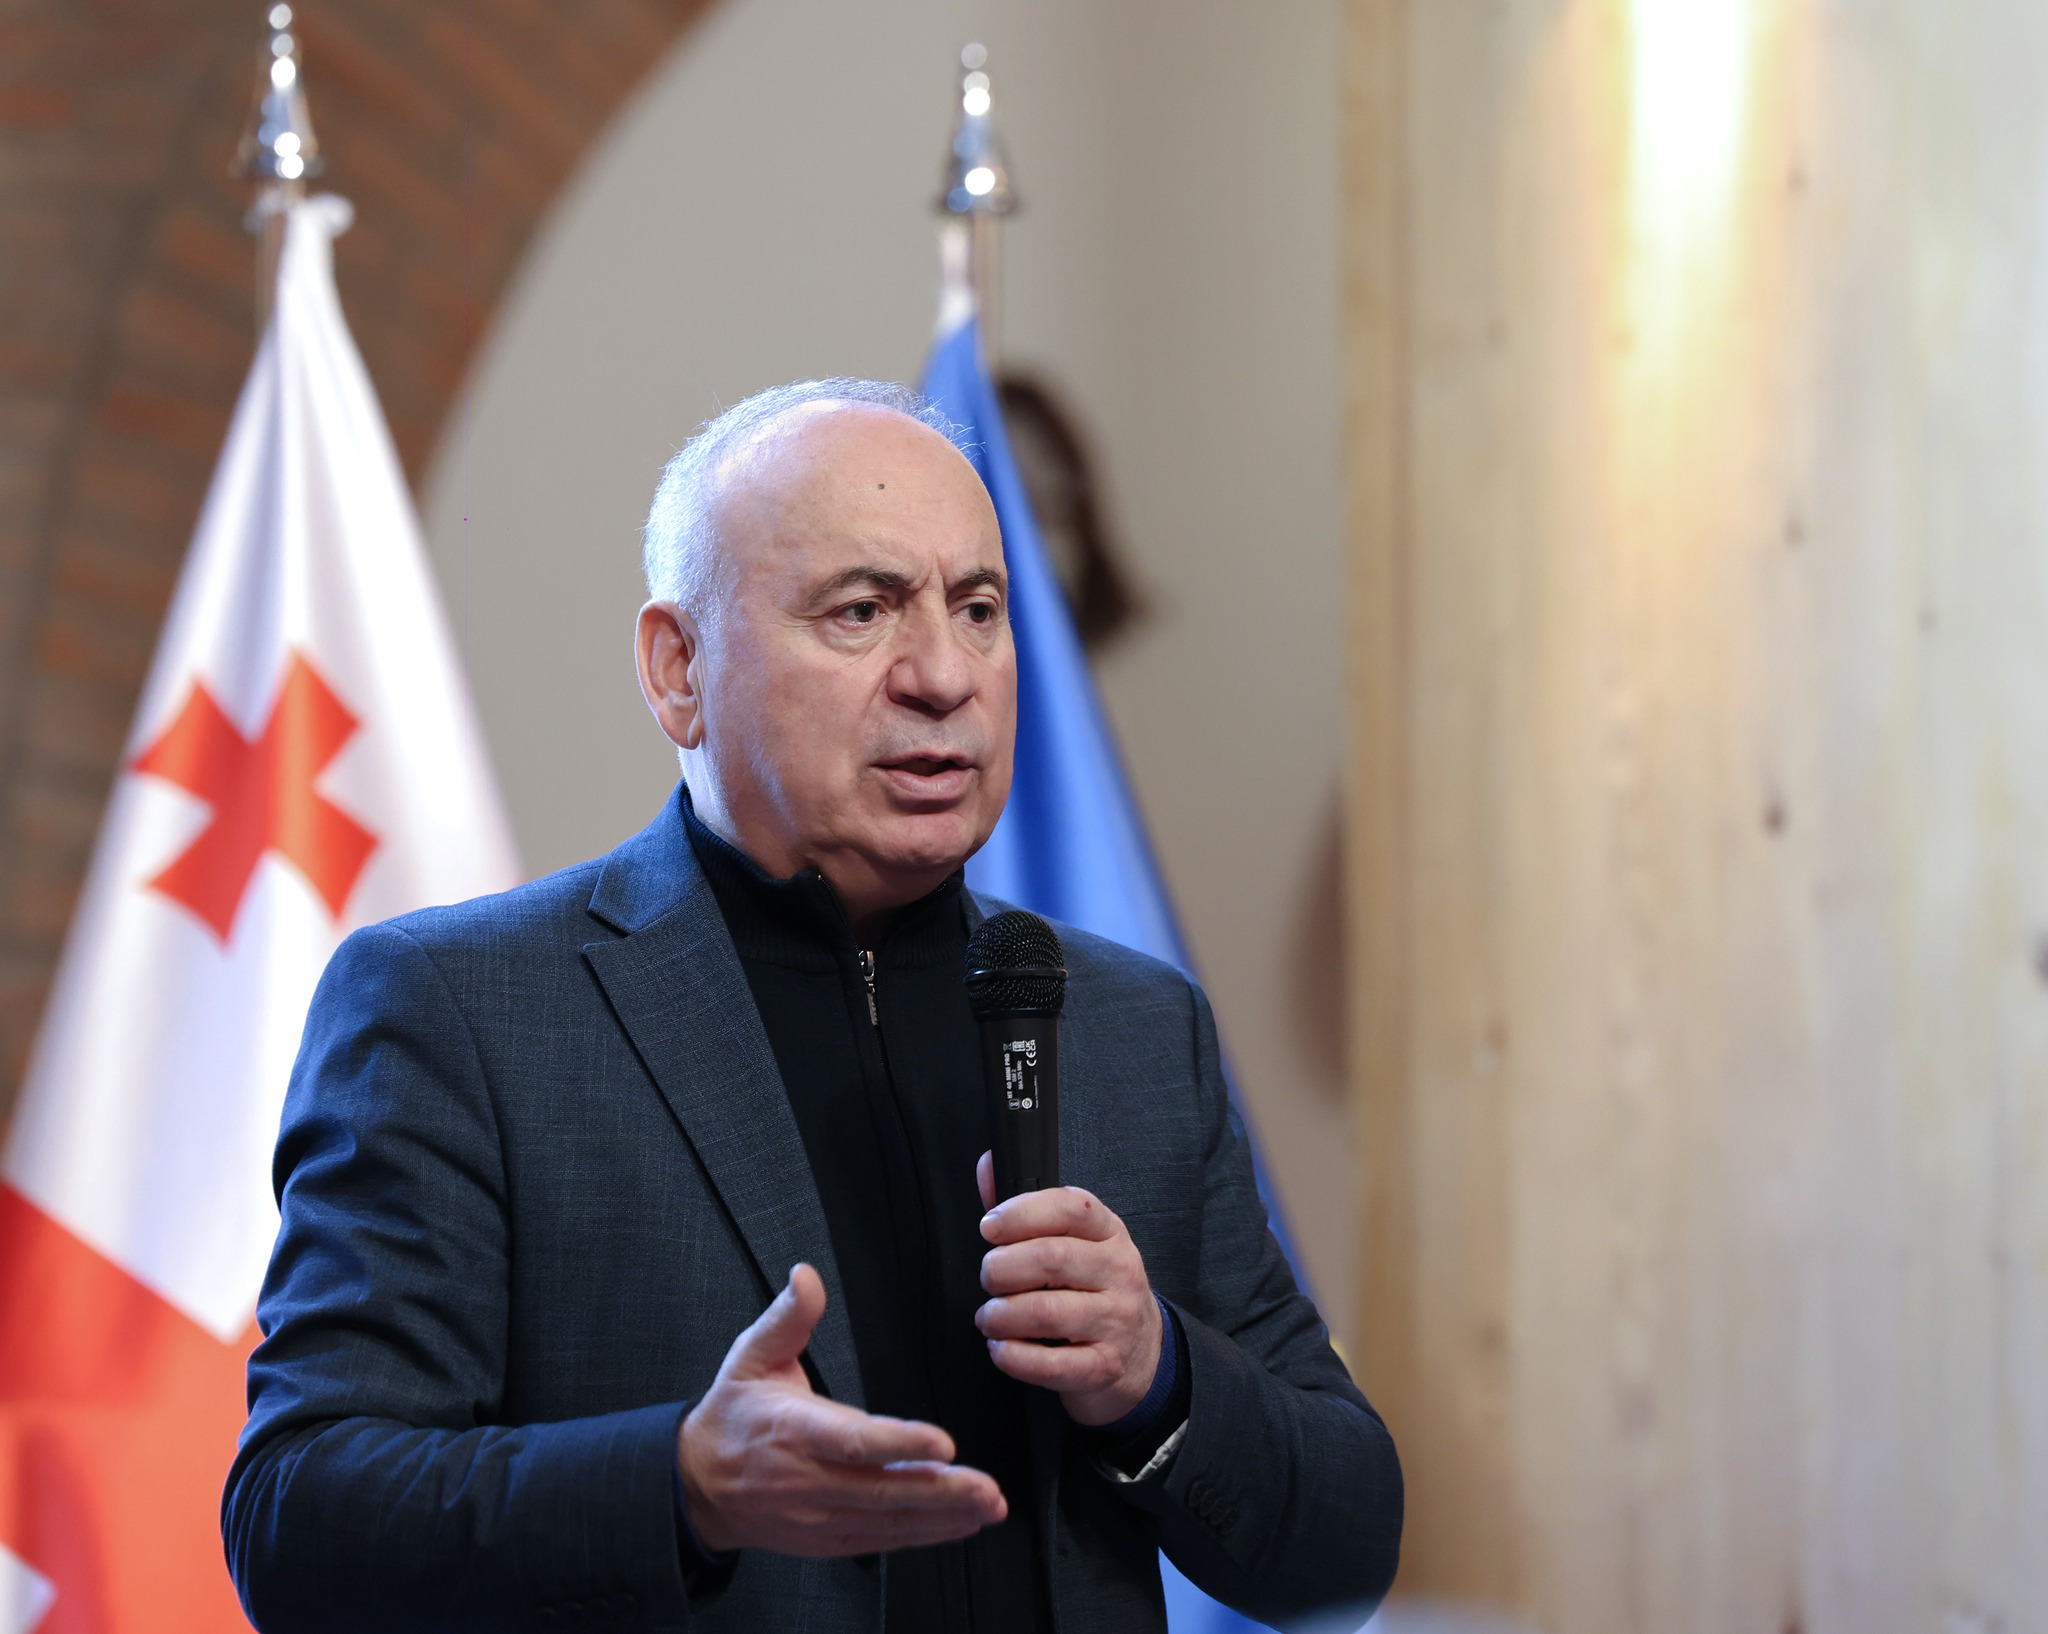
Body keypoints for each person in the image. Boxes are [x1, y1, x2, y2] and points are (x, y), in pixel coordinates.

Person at [222, 379, 1402, 1633]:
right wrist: (682, 1485)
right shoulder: (465, 1010)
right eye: (861, 610)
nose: (942, 675)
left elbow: (1345, 1544)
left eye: (978, 609)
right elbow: (300, 1517)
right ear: (678, 669)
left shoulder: (1133, 1025)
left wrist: (1156, 1374)